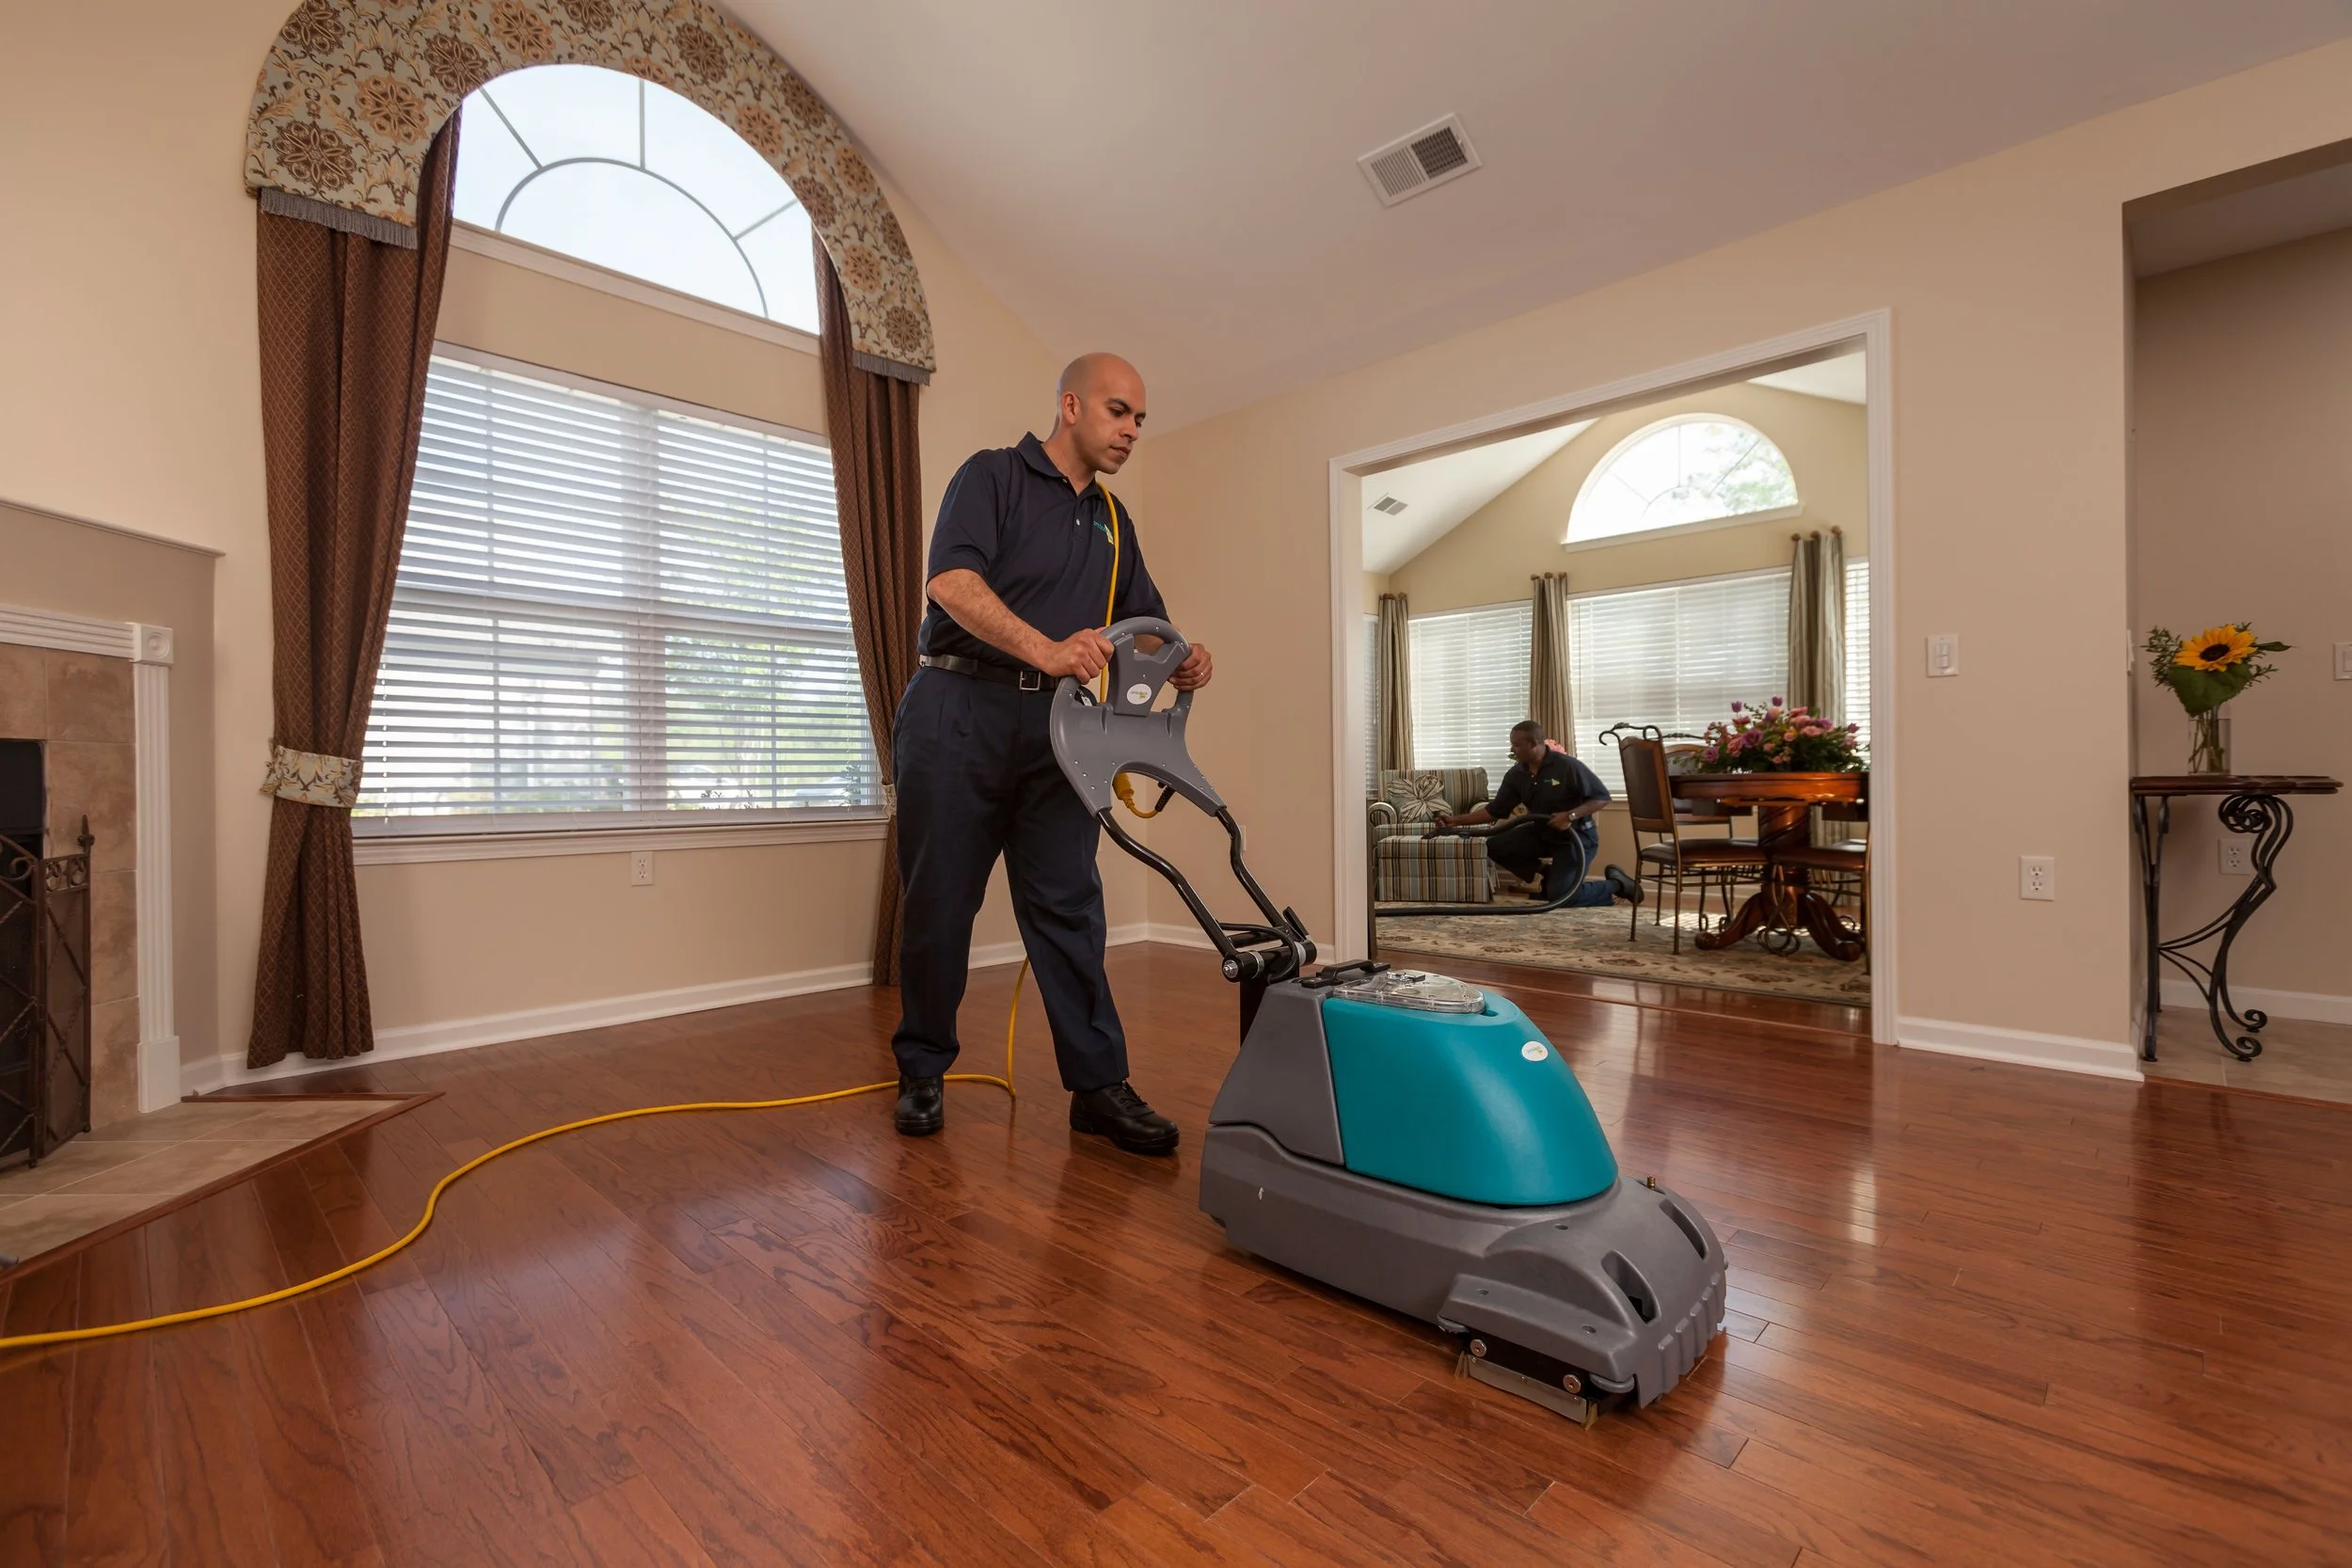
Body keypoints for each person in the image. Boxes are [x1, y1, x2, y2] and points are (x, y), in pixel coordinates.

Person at [888, 353, 1211, 1154]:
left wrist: (1183, 658)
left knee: (1070, 904)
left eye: (1140, 419)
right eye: (1118, 411)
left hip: (1059, 729)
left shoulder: (1113, 521)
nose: (1132, 430)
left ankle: (1097, 1086)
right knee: (939, 902)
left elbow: (1144, 627)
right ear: (1070, 406)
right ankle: (922, 1069)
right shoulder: (993, 476)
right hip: (958, 708)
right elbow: (950, 583)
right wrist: (1048, 649)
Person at [1434, 721, 1641, 906]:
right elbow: (1494, 811)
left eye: (1516, 744)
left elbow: (1601, 797)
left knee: (1560, 896)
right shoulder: (1516, 774)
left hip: (1576, 837)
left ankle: (1617, 885)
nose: (1512, 749)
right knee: (1495, 845)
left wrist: (1570, 816)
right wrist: (1455, 821)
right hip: (1542, 833)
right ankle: (1548, 873)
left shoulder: (1567, 766)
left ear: (1534, 743)